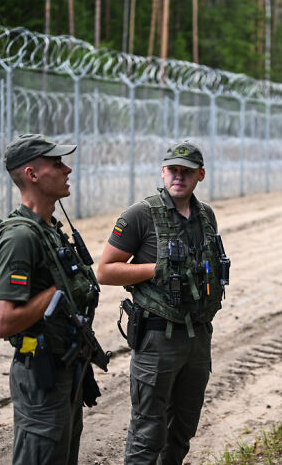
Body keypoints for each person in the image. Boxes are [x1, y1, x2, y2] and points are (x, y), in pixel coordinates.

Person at [97, 141, 228, 465]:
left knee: (182, 429)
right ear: (163, 171)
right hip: (158, 337)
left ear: (201, 174)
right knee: (148, 433)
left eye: (187, 171)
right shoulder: (141, 214)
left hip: (198, 337)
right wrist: (157, 269)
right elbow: (105, 270)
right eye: (173, 170)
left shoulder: (205, 215)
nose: (179, 177)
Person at [0, 134, 102, 465]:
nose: (68, 169)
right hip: (41, 374)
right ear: (32, 175)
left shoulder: (50, 228)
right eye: (56, 164)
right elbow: (2, 321)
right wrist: (52, 297)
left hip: (65, 368)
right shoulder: (20, 237)